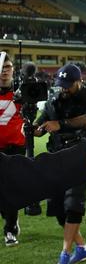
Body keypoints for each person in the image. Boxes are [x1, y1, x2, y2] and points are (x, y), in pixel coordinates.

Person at [34, 64, 86, 264]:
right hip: (56, 156)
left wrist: (61, 124)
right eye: (61, 85)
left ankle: (65, 256)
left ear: (78, 81)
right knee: (57, 209)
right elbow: (41, 122)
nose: (64, 89)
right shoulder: (55, 101)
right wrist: (34, 128)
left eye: (68, 85)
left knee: (73, 203)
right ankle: (82, 248)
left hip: (81, 154)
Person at [0, 52, 26, 246]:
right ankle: (10, 216)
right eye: (1, 68)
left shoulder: (23, 92)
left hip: (15, 148)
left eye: (7, 68)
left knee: (12, 189)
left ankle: (9, 229)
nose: (4, 72)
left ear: (13, 69)